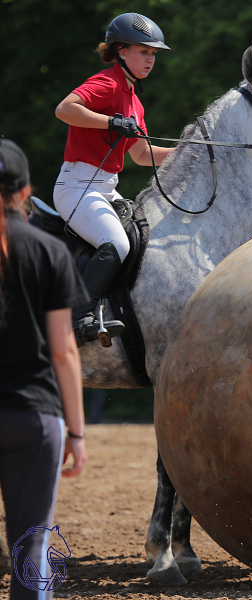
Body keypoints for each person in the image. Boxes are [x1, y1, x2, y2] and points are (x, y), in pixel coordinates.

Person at [53, 12, 175, 347]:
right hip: (77, 187)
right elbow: (64, 109)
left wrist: (187, 152)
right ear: (122, 51)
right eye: (143, 52)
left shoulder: (134, 101)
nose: (150, 60)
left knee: (143, 239)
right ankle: (80, 315)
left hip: (105, 189)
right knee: (117, 244)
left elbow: (141, 155)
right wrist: (110, 122)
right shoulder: (107, 83)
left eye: (153, 54)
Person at [1, 139, 89, 600]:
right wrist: (76, 433)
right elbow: (64, 351)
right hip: (34, 417)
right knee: (30, 548)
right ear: (26, 191)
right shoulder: (49, 251)